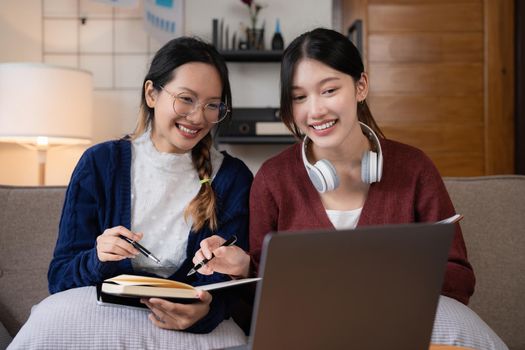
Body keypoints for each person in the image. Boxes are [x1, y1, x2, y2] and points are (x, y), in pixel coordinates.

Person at [192, 28, 475, 306]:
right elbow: (259, 300)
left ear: (360, 86)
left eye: (329, 90)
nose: (315, 111)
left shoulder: (414, 168)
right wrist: (244, 267)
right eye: (300, 97)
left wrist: (393, 276)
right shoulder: (273, 179)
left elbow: (460, 279)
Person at [47, 37, 253, 333]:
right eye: (186, 98)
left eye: (212, 105)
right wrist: (97, 257)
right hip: (102, 320)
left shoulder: (233, 178)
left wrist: (204, 312)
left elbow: (231, 293)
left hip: (191, 332)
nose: (198, 117)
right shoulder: (99, 164)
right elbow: (59, 278)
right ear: (151, 93)